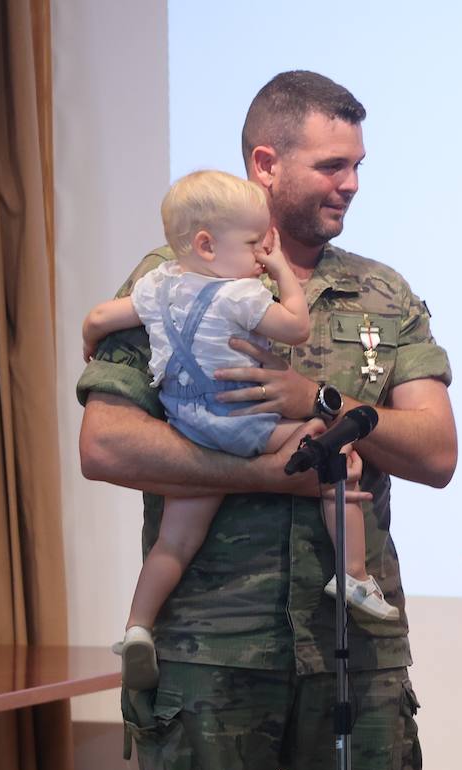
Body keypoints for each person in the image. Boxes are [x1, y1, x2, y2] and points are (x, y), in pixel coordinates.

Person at [77, 71, 456, 770]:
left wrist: (316, 398)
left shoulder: (383, 294)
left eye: (357, 165)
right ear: (265, 162)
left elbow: (436, 448)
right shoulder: (169, 281)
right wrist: (262, 469)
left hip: (350, 649)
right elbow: (105, 443)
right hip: (212, 648)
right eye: (330, 166)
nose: (350, 184)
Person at [82, 168, 401, 691]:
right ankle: (355, 575)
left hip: (189, 427)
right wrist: (281, 271)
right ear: (207, 245)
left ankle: (137, 626)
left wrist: (90, 334)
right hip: (243, 423)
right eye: (255, 243)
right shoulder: (239, 295)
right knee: (336, 458)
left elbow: (100, 315)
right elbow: (296, 325)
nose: (261, 254)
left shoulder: (159, 287)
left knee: (174, 543)